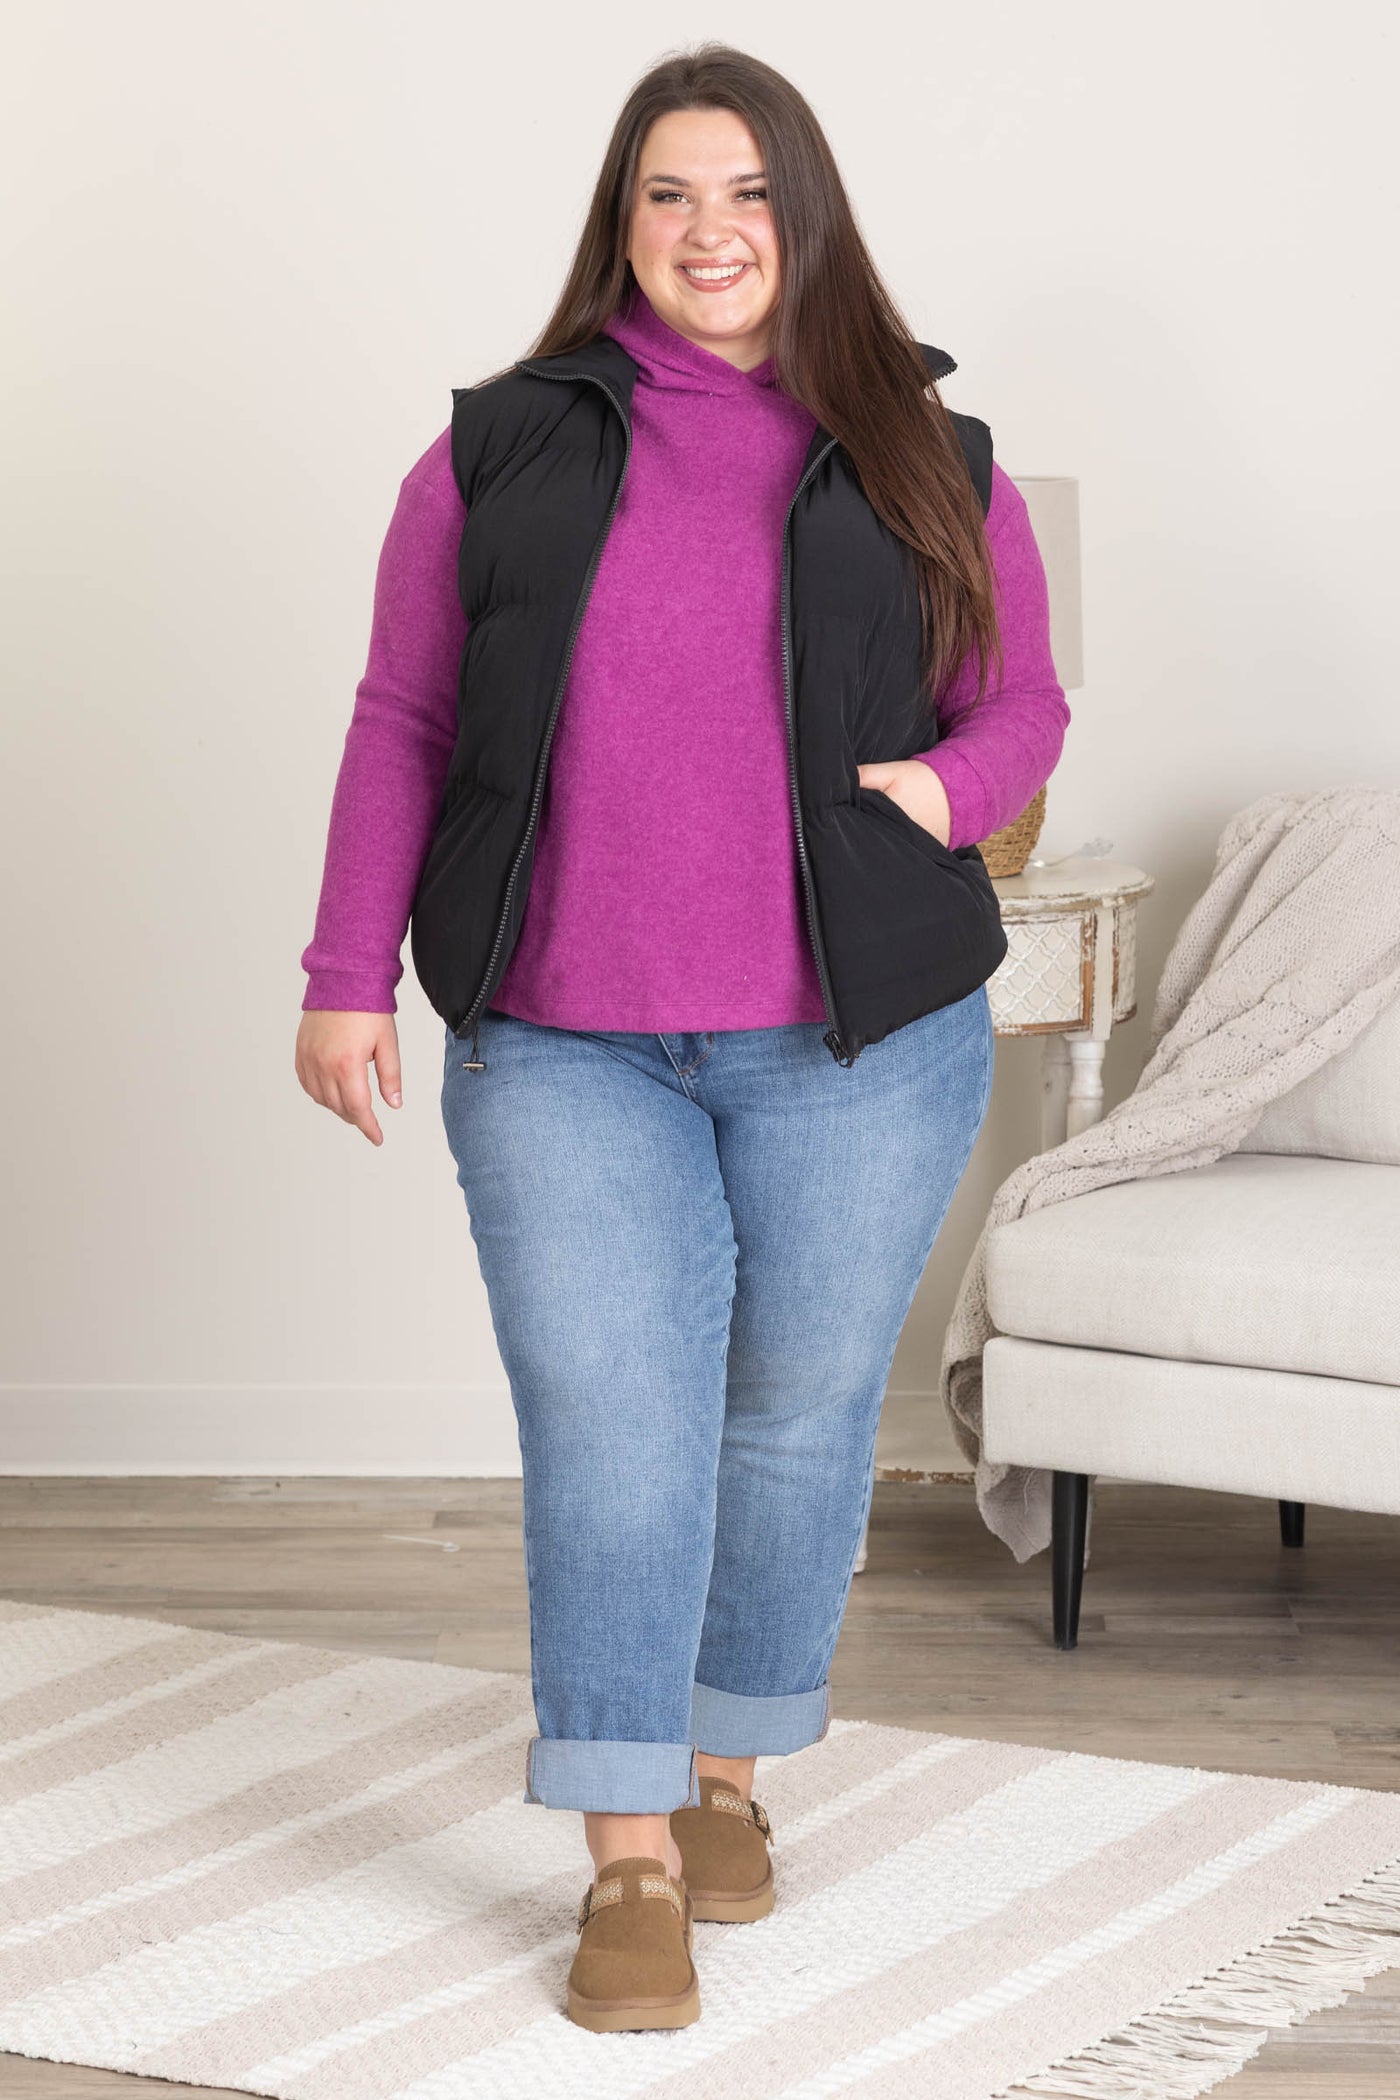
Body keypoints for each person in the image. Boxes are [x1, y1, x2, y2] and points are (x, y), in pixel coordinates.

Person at [296, 42, 1069, 2033]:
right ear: (620, 223)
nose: (710, 230)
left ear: (804, 219)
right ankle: (628, 1850)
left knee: (797, 1410)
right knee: (610, 1423)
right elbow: (402, 715)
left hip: (858, 1039)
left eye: (747, 193)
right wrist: (343, 969)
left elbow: (1023, 705)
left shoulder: (928, 454)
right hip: (562, 1039)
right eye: (669, 193)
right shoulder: (496, 452)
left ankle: (729, 1768)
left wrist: (940, 795)